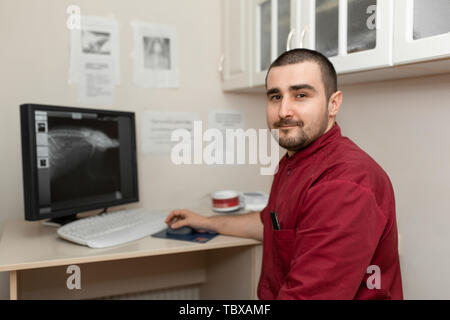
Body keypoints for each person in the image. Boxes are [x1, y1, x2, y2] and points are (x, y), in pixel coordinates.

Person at [165, 49, 403, 300]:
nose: (283, 111)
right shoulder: (294, 160)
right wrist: (205, 222)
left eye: (301, 95)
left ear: (334, 103)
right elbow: (271, 224)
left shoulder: (345, 182)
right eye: (275, 96)